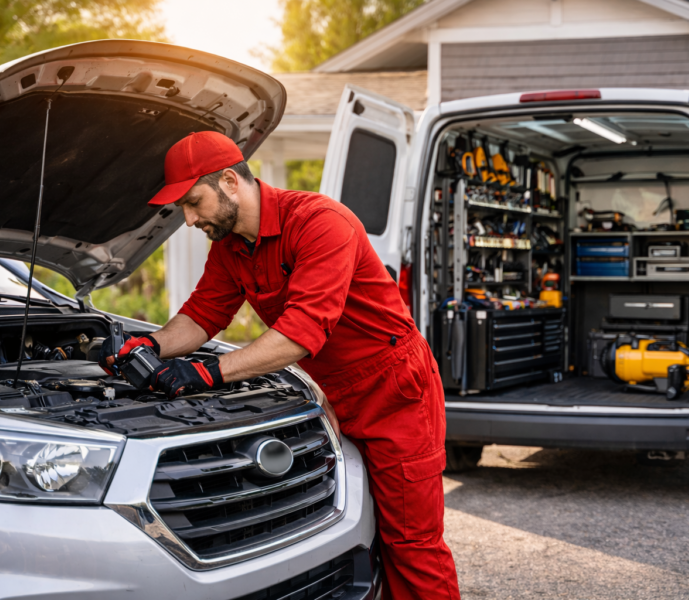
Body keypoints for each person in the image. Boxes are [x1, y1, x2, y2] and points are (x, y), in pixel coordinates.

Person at [101, 131, 460, 600]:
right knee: (359, 534)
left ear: (230, 181)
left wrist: (207, 373)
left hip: (394, 391)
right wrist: (146, 346)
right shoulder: (231, 247)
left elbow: (301, 332)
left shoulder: (321, 223)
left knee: (411, 541)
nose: (188, 219)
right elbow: (202, 315)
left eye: (193, 202)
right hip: (332, 393)